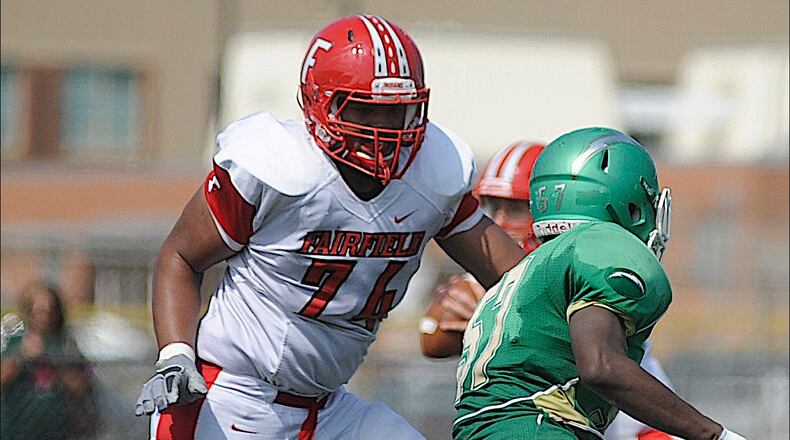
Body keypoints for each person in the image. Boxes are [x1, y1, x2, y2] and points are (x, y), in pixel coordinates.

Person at [134, 15, 526, 440]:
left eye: (397, 112)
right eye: (364, 109)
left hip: (329, 407)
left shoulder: (432, 175)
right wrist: (175, 354)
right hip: (231, 396)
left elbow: (516, 277)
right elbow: (180, 255)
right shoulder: (278, 168)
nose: (384, 130)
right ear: (320, 103)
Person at [453, 128, 745, 440]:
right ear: (630, 204)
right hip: (538, 429)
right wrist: (714, 435)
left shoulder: (516, 277)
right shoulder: (603, 245)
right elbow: (600, 366)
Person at [420, 141, 677, 439]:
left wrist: (508, 317)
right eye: (491, 207)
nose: (499, 221)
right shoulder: (490, 283)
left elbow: (643, 414)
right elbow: (432, 337)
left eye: (515, 208)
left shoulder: (585, 276)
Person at [0, 282, 97, 440]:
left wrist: (49, 359)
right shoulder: (14, 340)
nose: (44, 316)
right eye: (38, 310)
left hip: (58, 431)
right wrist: (21, 355)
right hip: (15, 430)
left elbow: (81, 387)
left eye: (50, 310)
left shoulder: (65, 344)